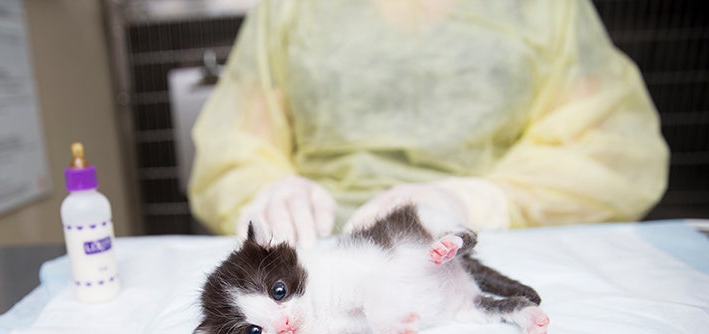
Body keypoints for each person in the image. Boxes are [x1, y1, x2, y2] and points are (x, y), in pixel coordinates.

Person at [188, 0, 668, 246]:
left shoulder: (543, 9)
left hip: (490, 244)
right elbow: (235, 143)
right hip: (323, 242)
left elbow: (609, 145)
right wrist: (272, 193)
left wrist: (478, 201)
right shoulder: (292, 8)